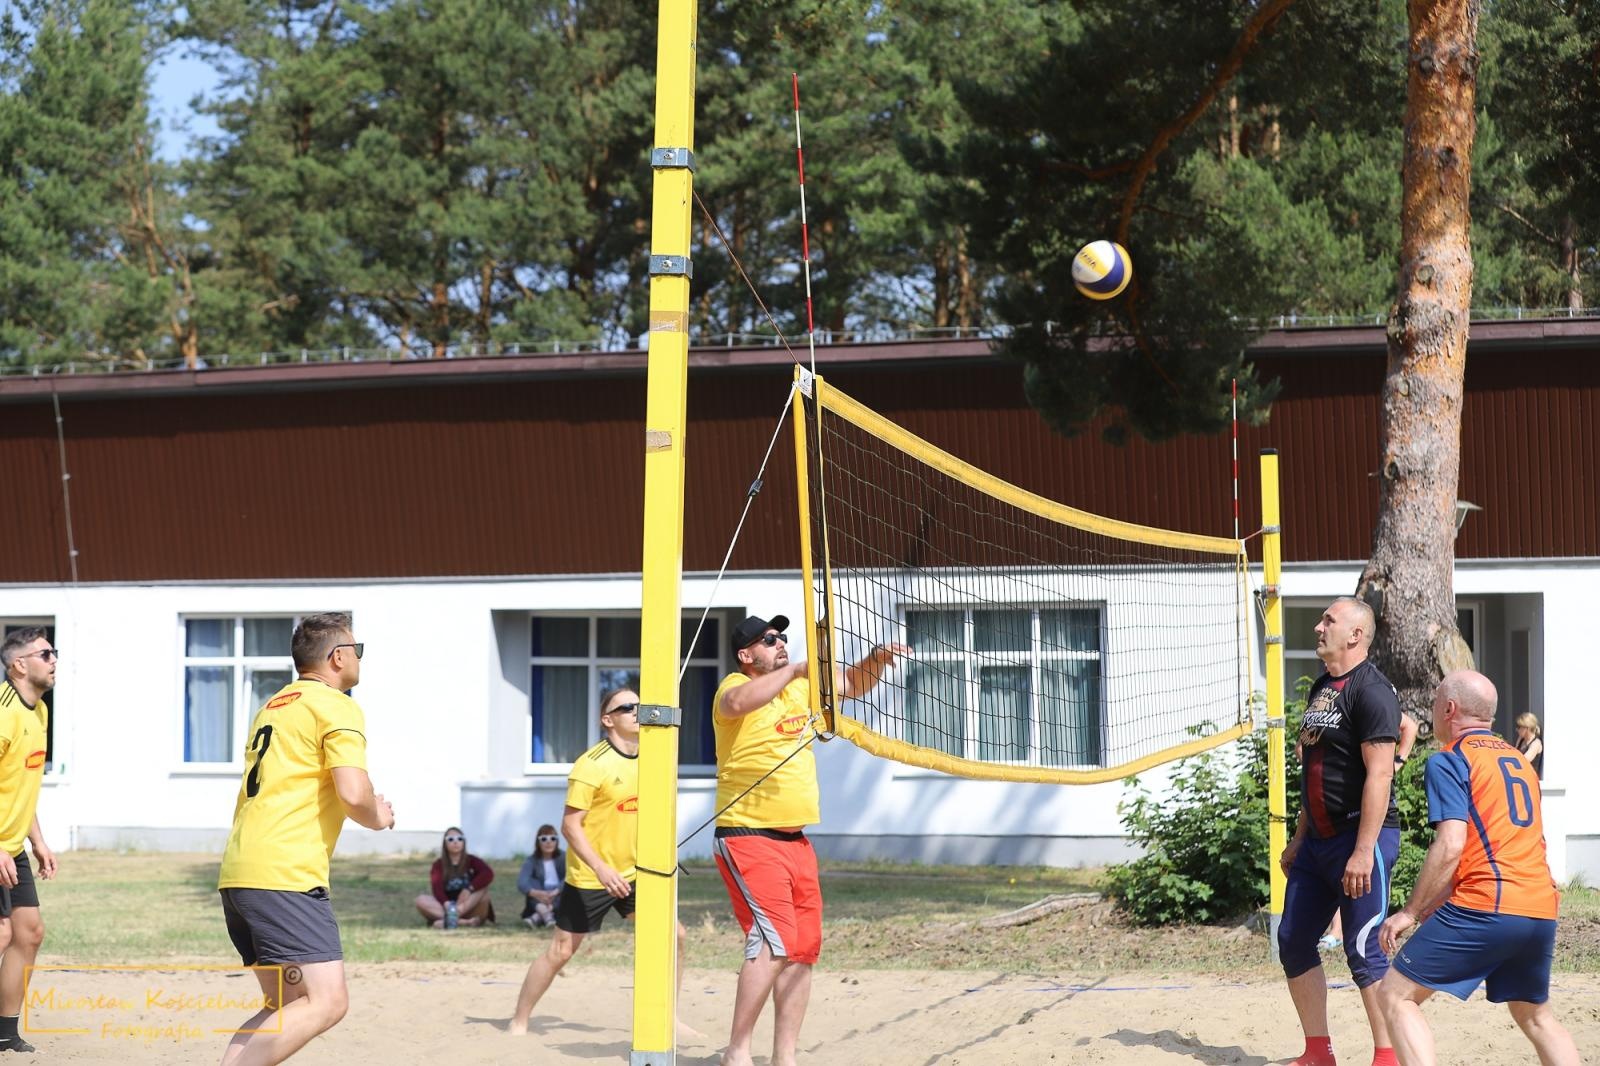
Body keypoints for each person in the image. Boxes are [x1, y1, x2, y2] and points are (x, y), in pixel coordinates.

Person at [713, 615, 907, 1066]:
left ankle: (786, 1057)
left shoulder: (799, 686)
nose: (779, 642)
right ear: (747, 655)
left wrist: (876, 659)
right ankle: (737, 1053)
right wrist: (796, 670)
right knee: (774, 941)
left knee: (802, 951)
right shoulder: (732, 686)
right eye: (769, 640)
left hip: (796, 840)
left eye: (781, 637)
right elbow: (738, 703)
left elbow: (854, 683)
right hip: (747, 833)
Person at [216, 612, 395, 1065]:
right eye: (357, 650)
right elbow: (354, 795)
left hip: (241, 873)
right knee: (327, 1002)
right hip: (285, 876)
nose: (359, 659)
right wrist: (380, 816)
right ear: (338, 657)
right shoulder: (337, 704)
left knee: (287, 1005)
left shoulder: (274, 704)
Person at [1377, 671, 1579, 1066]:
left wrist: (1410, 911)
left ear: (1449, 709)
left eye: (1436, 702)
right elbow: (1499, 845)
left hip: (1490, 904)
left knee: (1396, 995)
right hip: (1540, 905)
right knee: (1535, 1016)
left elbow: (1452, 843)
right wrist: (1442, 896)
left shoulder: (1451, 759)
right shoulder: (1520, 763)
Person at [508, 687, 693, 1038]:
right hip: (592, 876)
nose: (638, 711)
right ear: (607, 720)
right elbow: (570, 826)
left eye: (641, 705)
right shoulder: (591, 765)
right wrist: (602, 869)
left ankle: (669, 1018)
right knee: (561, 952)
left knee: (675, 935)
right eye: (628, 707)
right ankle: (520, 1019)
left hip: (638, 873)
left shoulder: (655, 755)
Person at [1278, 597, 1402, 1066]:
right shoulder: (1323, 689)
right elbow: (1315, 769)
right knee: (1293, 939)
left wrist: (1363, 851)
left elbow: (1381, 776)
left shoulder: (1372, 691)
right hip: (1318, 841)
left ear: (1355, 635)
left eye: (1328, 620)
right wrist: (1298, 835)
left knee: (1364, 950)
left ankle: (1388, 1058)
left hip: (1359, 839)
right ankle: (1318, 1053)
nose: (1317, 626)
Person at [1316, 712, 1419, 953]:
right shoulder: (1325, 705)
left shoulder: (1370, 696)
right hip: (1333, 818)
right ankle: (1336, 931)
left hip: (1369, 820)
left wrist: (1399, 761)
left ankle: (1352, 937)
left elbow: (1410, 726)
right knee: (1342, 880)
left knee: (1367, 944)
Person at [0, 629, 58, 1054]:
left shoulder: (38, 713)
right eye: (45, 653)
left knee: (29, 932)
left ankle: (3, 1032)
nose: (54, 659)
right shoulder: (3, 714)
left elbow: (19, 784)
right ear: (19, 664)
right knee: (1, 933)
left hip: (12, 845)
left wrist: (37, 840)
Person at [415, 827, 495, 928]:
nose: (456, 842)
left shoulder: (472, 860)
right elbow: (437, 888)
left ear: (464, 842)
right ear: (445, 843)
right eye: (451, 839)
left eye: (459, 838)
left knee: (483, 889)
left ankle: (450, 919)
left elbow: (488, 873)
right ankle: (461, 921)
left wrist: (469, 889)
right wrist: (446, 904)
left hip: (469, 905)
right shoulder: (438, 865)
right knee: (420, 900)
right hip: (447, 907)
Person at [516, 825, 565, 928]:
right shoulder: (532, 860)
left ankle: (537, 917)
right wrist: (537, 893)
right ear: (538, 842)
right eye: (544, 839)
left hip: (558, 895)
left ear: (557, 841)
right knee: (532, 883)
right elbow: (522, 882)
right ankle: (548, 917)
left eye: (552, 838)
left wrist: (556, 891)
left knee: (567, 888)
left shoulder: (563, 857)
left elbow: (571, 876)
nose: (548, 842)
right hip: (539, 896)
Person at [1514, 712, 1544, 778]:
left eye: (1519, 727)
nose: (1517, 729)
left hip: (1531, 779)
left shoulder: (1536, 743)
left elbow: (1524, 761)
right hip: (1521, 777)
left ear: (1527, 728)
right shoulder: (1521, 740)